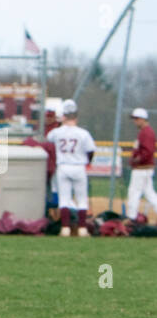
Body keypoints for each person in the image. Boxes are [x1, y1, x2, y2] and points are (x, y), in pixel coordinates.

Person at [47, 99, 95, 237]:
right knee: (81, 199)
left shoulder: (57, 132)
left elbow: (49, 139)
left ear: (63, 116)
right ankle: (82, 229)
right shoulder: (83, 133)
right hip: (79, 166)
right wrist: (87, 162)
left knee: (64, 198)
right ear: (76, 116)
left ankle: (65, 228)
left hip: (63, 166)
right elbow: (91, 150)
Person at [126, 107, 156, 222]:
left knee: (134, 192)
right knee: (149, 194)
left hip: (142, 169)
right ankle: (131, 216)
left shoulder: (147, 132)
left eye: (137, 119)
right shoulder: (144, 132)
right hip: (144, 169)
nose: (135, 121)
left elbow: (147, 152)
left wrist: (136, 160)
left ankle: (131, 217)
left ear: (143, 119)